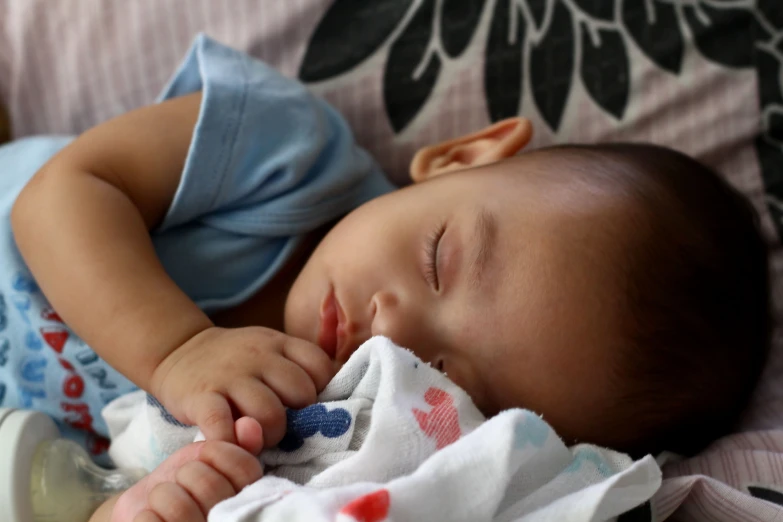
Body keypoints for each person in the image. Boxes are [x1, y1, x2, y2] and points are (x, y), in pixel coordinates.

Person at [0, 35, 769, 521]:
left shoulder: (329, 442)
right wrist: (179, 350)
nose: (395, 332)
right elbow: (59, 198)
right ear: (462, 156)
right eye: (438, 259)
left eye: (442, 377)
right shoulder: (289, 156)